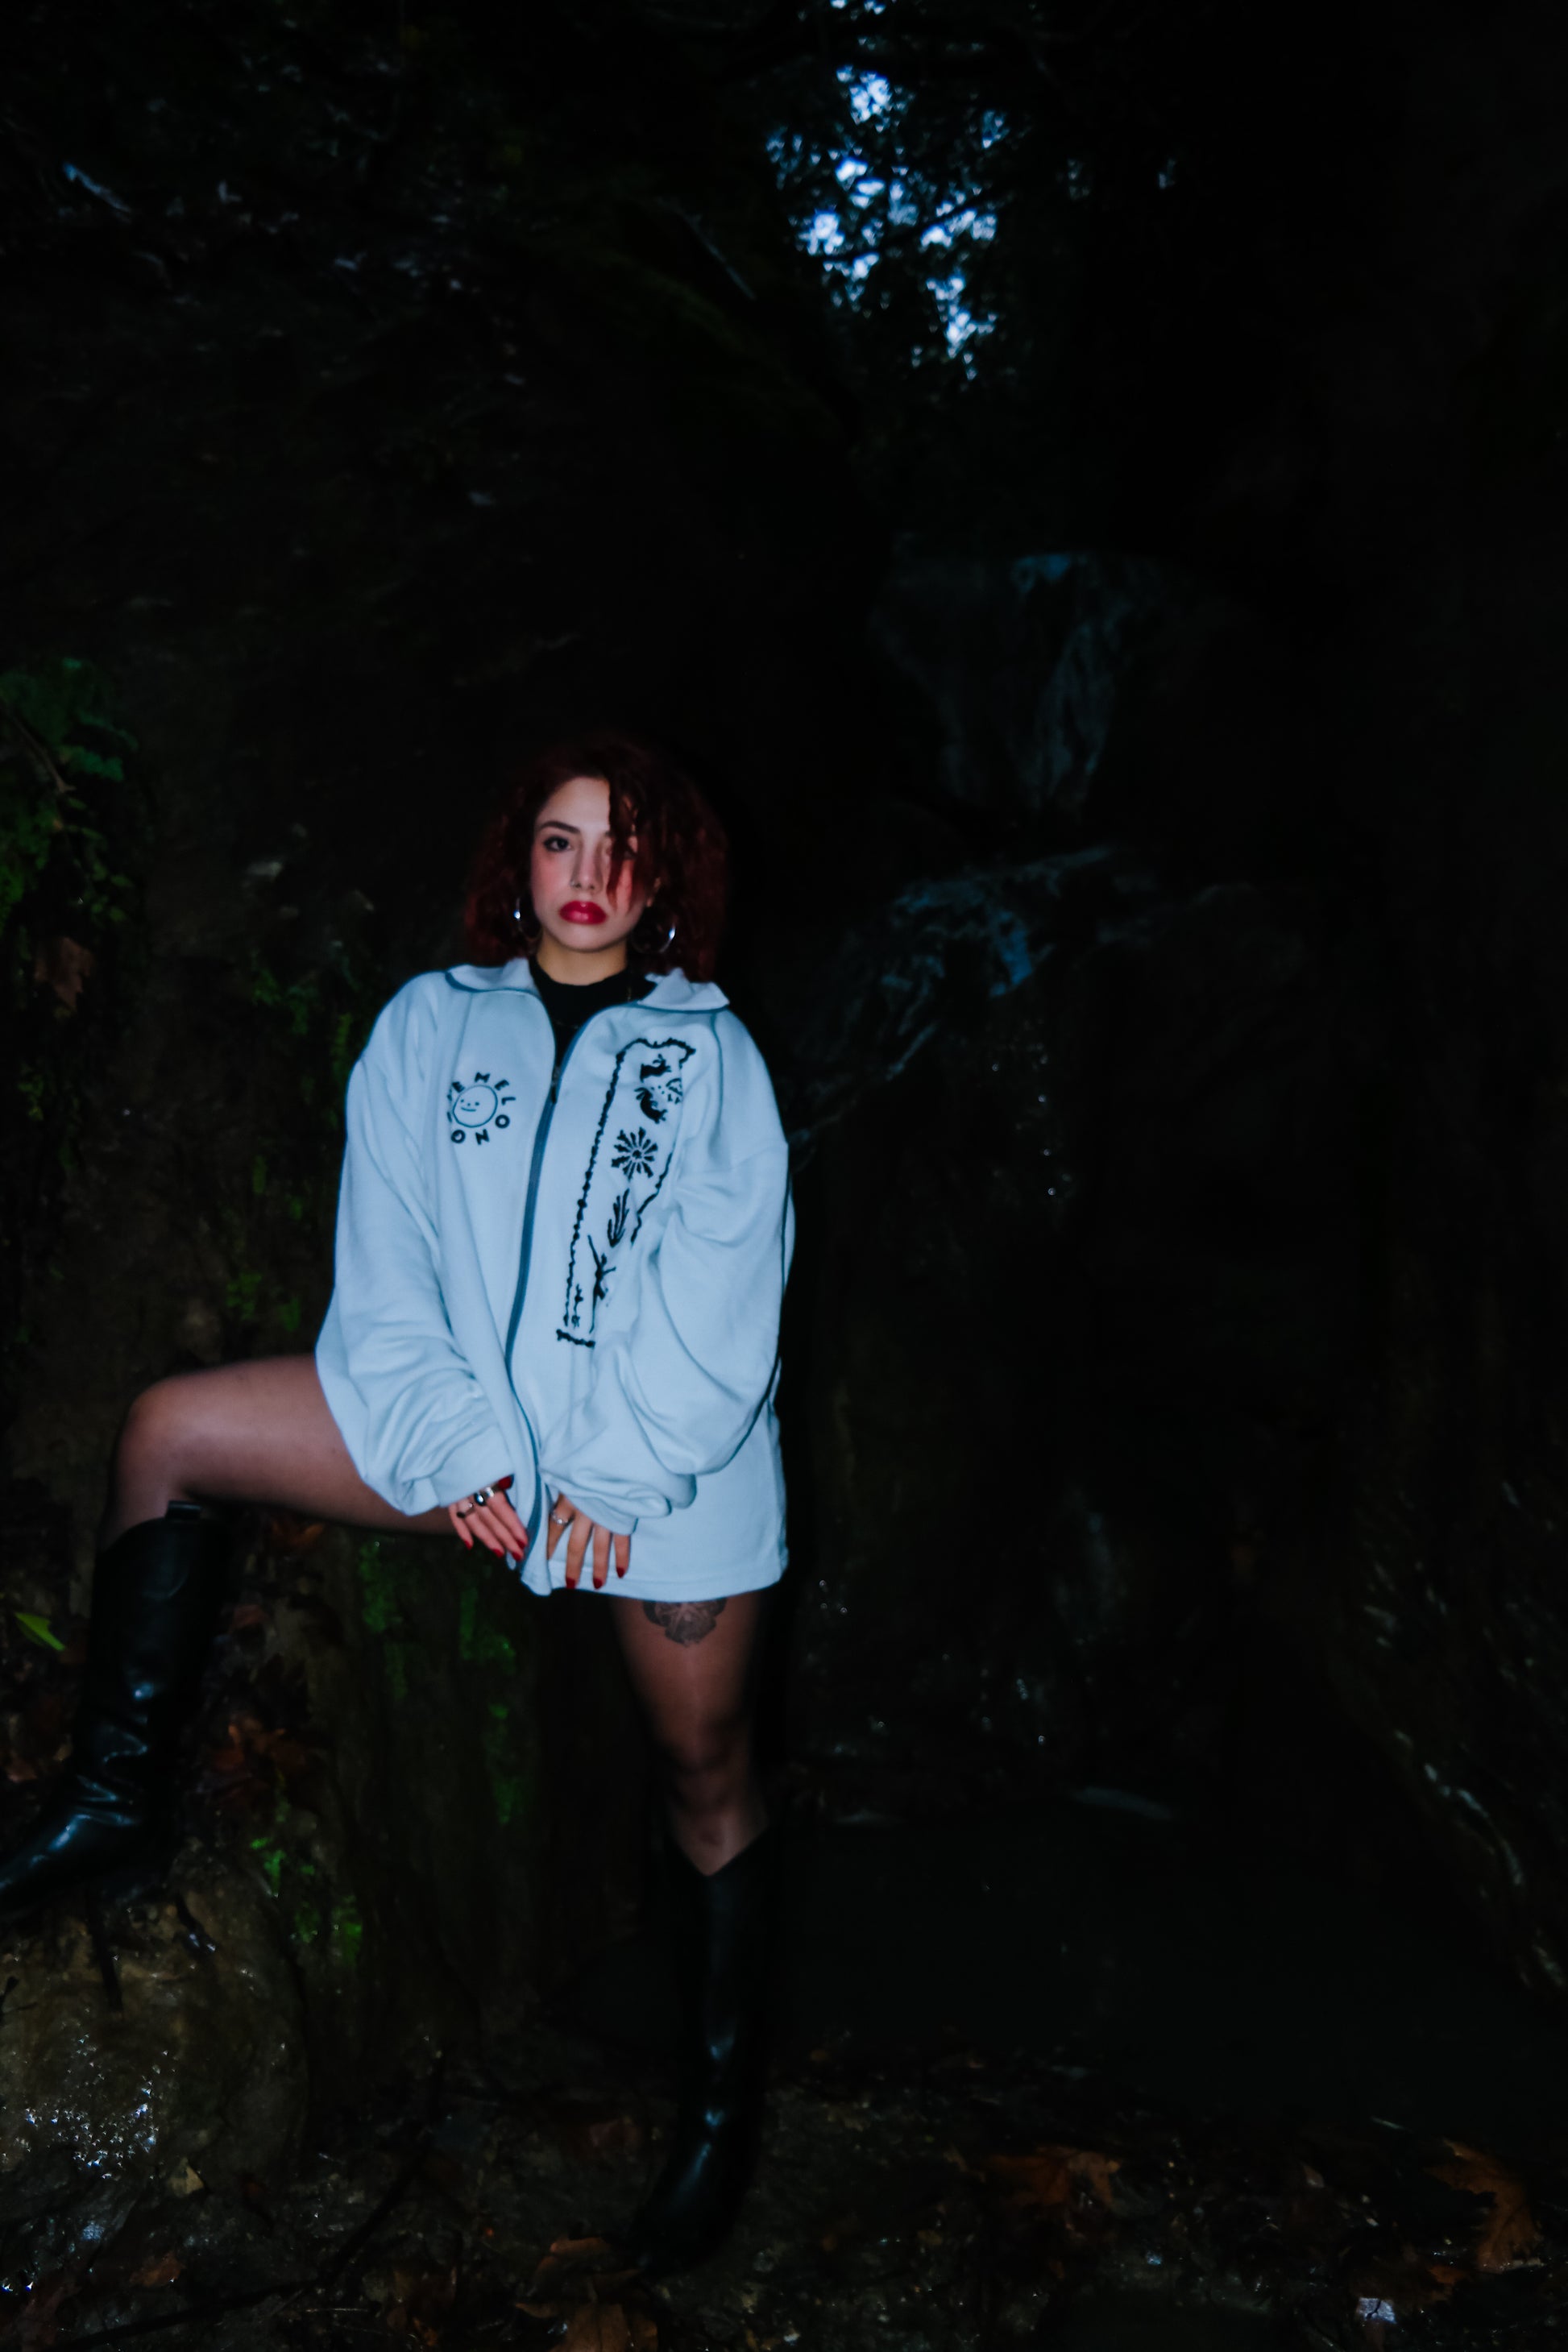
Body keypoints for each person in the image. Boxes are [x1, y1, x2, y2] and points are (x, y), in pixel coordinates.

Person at [0, 733, 794, 2276]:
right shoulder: (433, 1024)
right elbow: (389, 1261)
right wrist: (465, 1449)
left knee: (704, 1773)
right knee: (168, 1432)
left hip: (659, 1473)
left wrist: (608, 1475)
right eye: (560, 841)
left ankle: (715, 2118)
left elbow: (721, 1303)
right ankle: (111, 1801)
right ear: (519, 856)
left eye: (620, 847)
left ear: (664, 876)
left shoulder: (715, 1062)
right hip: (464, 1445)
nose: (587, 877)